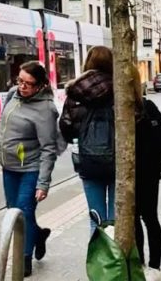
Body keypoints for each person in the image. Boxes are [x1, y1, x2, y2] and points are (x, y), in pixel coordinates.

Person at [0, 61, 60, 278]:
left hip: (31, 167)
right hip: (9, 166)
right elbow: (4, 122)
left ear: (40, 85)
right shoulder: (13, 94)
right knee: (13, 211)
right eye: (20, 81)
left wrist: (43, 183)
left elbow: (49, 148)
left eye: (28, 84)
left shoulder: (46, 109)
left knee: (24, 210)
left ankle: (24, 259)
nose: (22, 87)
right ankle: (38, 235)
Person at [60, 45, 116, 231]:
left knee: (96, 217)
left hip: (89, 160)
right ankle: (118, 259)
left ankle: (98, 259)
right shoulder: (120, 89)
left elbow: (66, 128)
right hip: (118, 160)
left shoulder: (76, 93)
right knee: (117, 218)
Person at [133, 64, 161, 281]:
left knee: (146, 218)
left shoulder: (148, 108)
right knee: (140, 219)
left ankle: (152, 265)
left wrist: (157, 163)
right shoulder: (147, 108)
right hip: (143, 173)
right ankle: (144, 264)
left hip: (146, 173)